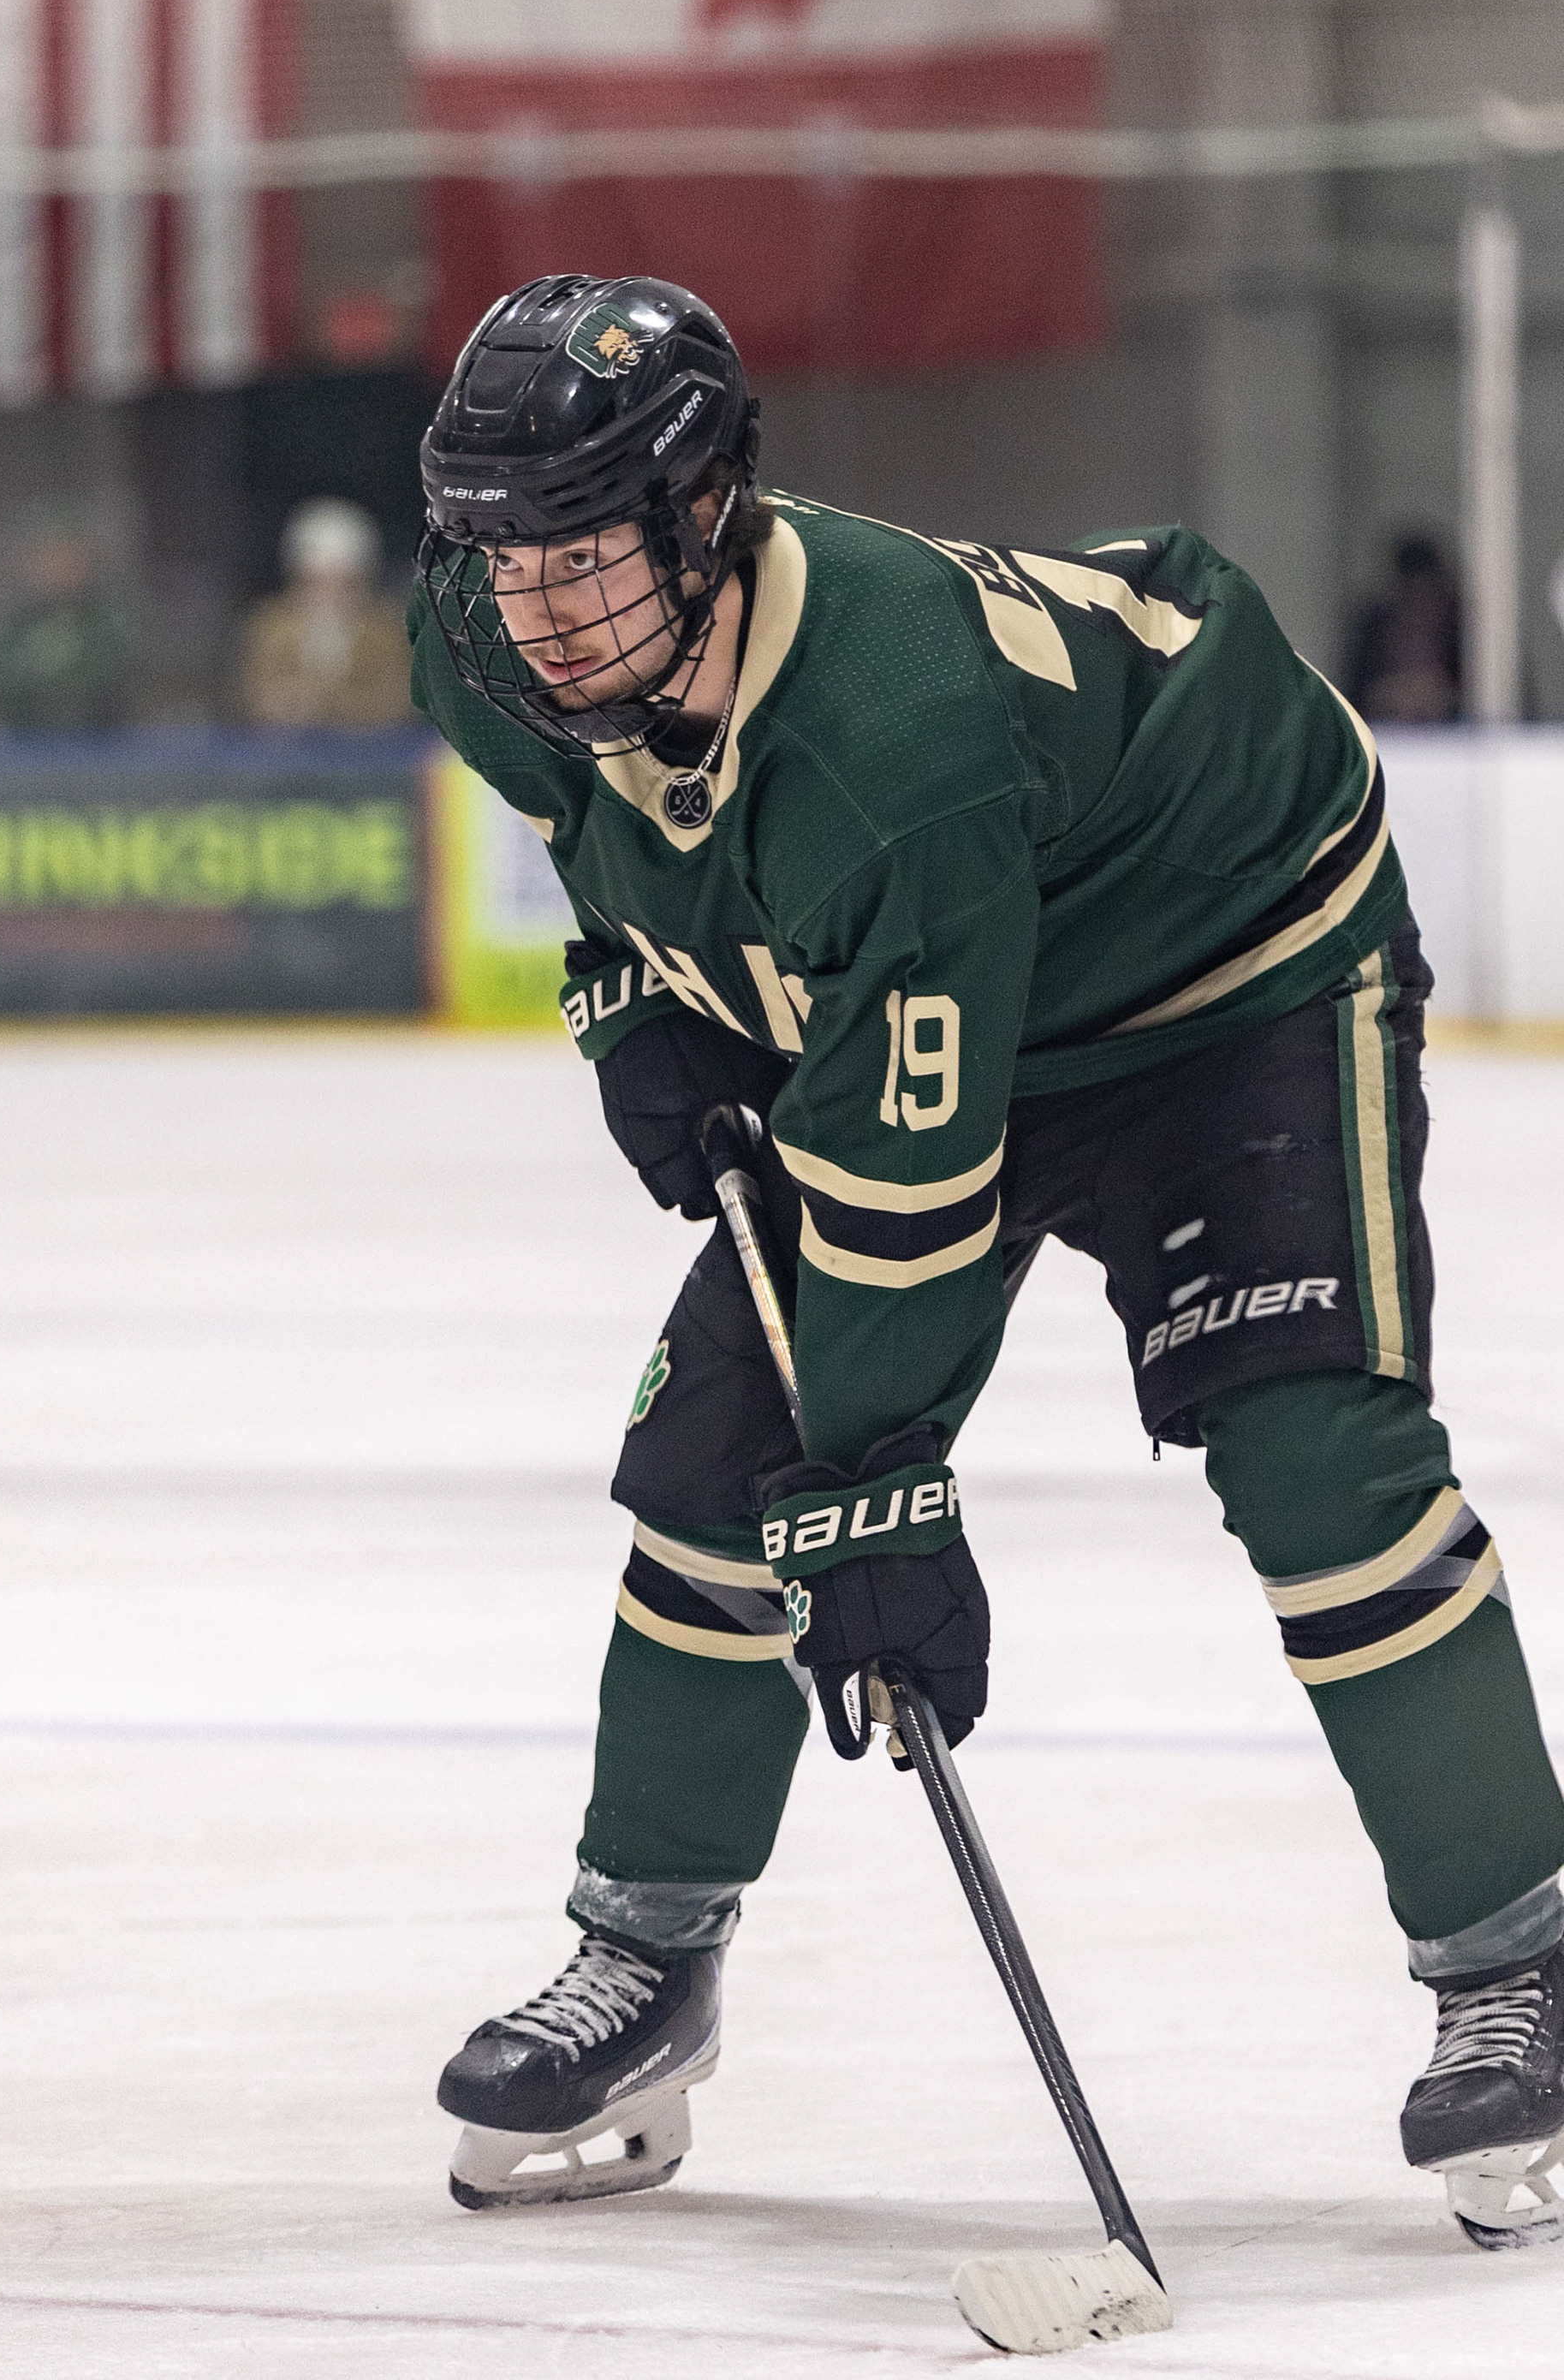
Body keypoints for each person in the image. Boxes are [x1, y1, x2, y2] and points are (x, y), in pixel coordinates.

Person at [407, 274, 1564, 2248]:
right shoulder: (484, 647)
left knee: (1310, 1449)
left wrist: (873, 1498)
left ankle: (1517, 1951)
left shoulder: (889, 741)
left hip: (1226, 963)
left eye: (589, 560)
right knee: (709, 1481)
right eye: (510, 563)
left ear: (710, 520)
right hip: (932, 971)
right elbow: (578, 830)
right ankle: (643, 1955)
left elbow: (905, 1193)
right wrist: (630, 997)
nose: (543, 612)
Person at [240, 497, 412, 727]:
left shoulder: (387, 631)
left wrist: (323, 701)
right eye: (316, 583)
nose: (329, 598)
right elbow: (250, 698)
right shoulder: (270, 626)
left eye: (344, 585)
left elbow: (396, 704)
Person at [0, 521, 134, 733]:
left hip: (103, 746)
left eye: (70, 558)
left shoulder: (111, 621)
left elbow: (115, 680)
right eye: (49, 557)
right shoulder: (8, 624)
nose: (59, 567)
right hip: (20, 746)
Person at [1343, 532, 1463, 725]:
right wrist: (1383, 697)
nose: (1419, 610)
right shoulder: (1372, 631)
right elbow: (1347, 698)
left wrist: (1447, 697)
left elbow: (1508, 700)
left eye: (1427, 597)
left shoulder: (1467, 636)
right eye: (1410, 597)